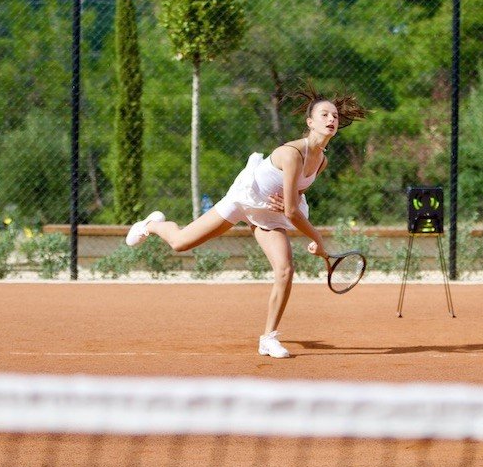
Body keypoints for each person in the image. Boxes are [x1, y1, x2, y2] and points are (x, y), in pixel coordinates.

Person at [125, 87, 367, 358]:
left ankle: (268, 338)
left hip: (268, 214)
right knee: (180, 243)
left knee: (285, 270)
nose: (331, 119)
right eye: (324, 114)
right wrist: (316, 238)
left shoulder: (321, 161)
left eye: (334, 115)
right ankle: (153, 224)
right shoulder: (291, 153)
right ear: (310, 122)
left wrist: (293, 205)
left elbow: (296, 196)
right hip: (244, 198)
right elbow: (290, 211)